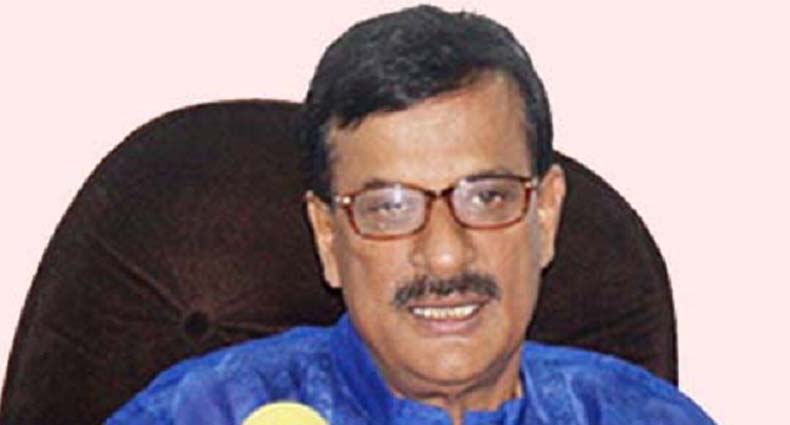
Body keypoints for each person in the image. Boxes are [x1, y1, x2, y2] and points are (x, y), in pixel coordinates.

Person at [107, 5, 714, 424]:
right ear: (328, 237)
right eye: (390, 207)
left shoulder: (640, 416)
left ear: (545, 215)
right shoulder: (204, 413)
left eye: (487, 197)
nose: (445, 255)